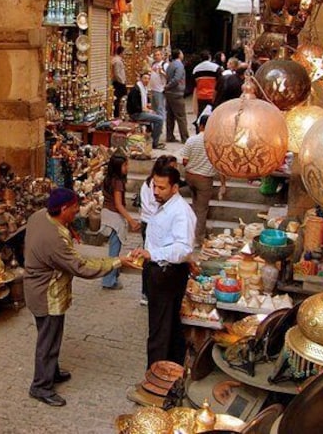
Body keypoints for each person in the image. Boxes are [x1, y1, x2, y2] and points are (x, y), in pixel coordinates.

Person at [24, 188, 125, 407]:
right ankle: (40, 386)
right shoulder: (55, 240)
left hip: (38, 288)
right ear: (62, 209)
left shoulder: (40, 216)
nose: (77, 211)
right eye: (74, 208)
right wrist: (117, 262)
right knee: (48, 339)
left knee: (52, 334)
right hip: (46, 294)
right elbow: (82, 267)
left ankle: (52, 371)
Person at [129, 164, 196, 368]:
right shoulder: (164, 206)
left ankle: (156, 378)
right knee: (168, 327)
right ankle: (170, 373)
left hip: (167, 274)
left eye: (161, 188)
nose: (156, 192)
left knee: (160, 330)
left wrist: (153, 253)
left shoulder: (180, 212)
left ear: (175, 188)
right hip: (159, 271)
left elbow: (183, 248)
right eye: (154, 186)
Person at [137, 154, 179, 306]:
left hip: (159, 224)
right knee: (150, 259)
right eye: (172, 167)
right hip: (150, 224)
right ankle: (146, 292)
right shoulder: (149, 186)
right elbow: (150, 207)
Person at [99, 154, 142, 290]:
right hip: (114, 217)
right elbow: (118, 204)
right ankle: (108, 280)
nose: (127, 167)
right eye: (125, 165)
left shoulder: (108, 179)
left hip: (107, 213)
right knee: (114, 251)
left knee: (113, 248)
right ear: (118, 167)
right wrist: (131, 220)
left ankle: (113, 275)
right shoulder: (118, 182)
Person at [182, 115, 224, 243]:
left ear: (200, 126)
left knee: (195, 206)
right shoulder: (215, 143)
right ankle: (198, 239)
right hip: (204, 180)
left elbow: (185, 160)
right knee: (201, 210)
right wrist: (223, 183)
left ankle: (190, 233)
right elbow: (220, 164)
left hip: (190, 176)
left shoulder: (191, 140)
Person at [126, 72, 165, 150]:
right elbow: (135, 106)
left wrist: (149, 108)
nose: (146, 80)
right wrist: (146, 110)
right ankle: (154, 143)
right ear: (141, 79)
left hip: (141, 111)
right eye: (145, 78)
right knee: (159, 119)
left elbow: (146, 101)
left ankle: (152, 138)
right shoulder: (136, 89)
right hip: (136, 113)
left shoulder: (143, 88)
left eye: (148, 79)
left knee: (156, 115)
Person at [164, 48, 189, 143]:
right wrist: (168, 86)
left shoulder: (170, 65)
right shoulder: (179, 65)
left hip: (170, 93)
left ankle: (169, 136)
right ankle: (185, 137)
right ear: (179, 54)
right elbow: (177, 79)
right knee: (181, 116)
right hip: (176, 92)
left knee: (170, 116)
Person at [192, 50, 222, 119]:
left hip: (201, 96)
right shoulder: (216, 68)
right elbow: (221, 82)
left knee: (201, 115)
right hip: (213, 96)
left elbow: (194, 85)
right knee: (212, 115)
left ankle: (200, 128)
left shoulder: (196, 69)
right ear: (209, 57)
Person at [148, 49, 167, 121]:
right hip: (153, 89)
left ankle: (161, 124)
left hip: (160, 89)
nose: (156, 57)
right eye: (155, 55)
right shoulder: (153, 64)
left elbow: (168, 76)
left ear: (162, 56)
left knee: (160, 108)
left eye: (158, 55)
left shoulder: (164, 65)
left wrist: (162, 72)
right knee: (154, 109)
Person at [111, 46, 127, 118]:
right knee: (118, 99)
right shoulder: (117, 61)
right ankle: (117, 115)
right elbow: (117, 73)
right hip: (119, 83)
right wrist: (122, 81)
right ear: (121, 52)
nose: (125, 54)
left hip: (119, 82)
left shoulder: (118, 60)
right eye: (124, 52)